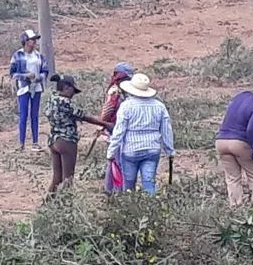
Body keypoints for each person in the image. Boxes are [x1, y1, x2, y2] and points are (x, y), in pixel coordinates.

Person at [107, 73, 175, 196]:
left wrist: (111, 151)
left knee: (129, 184)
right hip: (152, 148)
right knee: (149, 182)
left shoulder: (126, 106)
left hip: (130, 149)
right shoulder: (159, 106)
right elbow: (166, 130)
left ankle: (130, 207)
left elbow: (119, 131)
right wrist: (169, 150)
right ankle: (151, 207)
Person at [45, 75, 109, 196]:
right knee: (68, 179)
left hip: (53, 139)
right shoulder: (66, 102)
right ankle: (67, 206)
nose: (73, 94)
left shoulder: (51, 99)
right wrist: (105, 124)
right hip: (66, 140)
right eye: (72, 91)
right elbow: (83, 116)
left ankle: (48, 205)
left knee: (56, 178)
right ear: (66, 87)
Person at [99, 62, 137, 193]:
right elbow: (107, 111)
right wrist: (104, 125)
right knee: (117, 161)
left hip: (119, 128)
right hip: (114, 128)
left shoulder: (122, 90)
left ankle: (111, 189)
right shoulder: (115, 91)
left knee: (115, 161)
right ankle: (116, 189)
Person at [8, 30, 47, 151]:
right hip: (23, 88)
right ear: (25, 41)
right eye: (32, 39)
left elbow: (45, 71)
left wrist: (37, 78)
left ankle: (35, 142)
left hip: (36, 87)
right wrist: (25, 76)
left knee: (34, 115)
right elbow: (12, 73)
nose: (34, 41)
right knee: (23, 115)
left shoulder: (39, 56)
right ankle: (21, 143)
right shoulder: (17, 55)